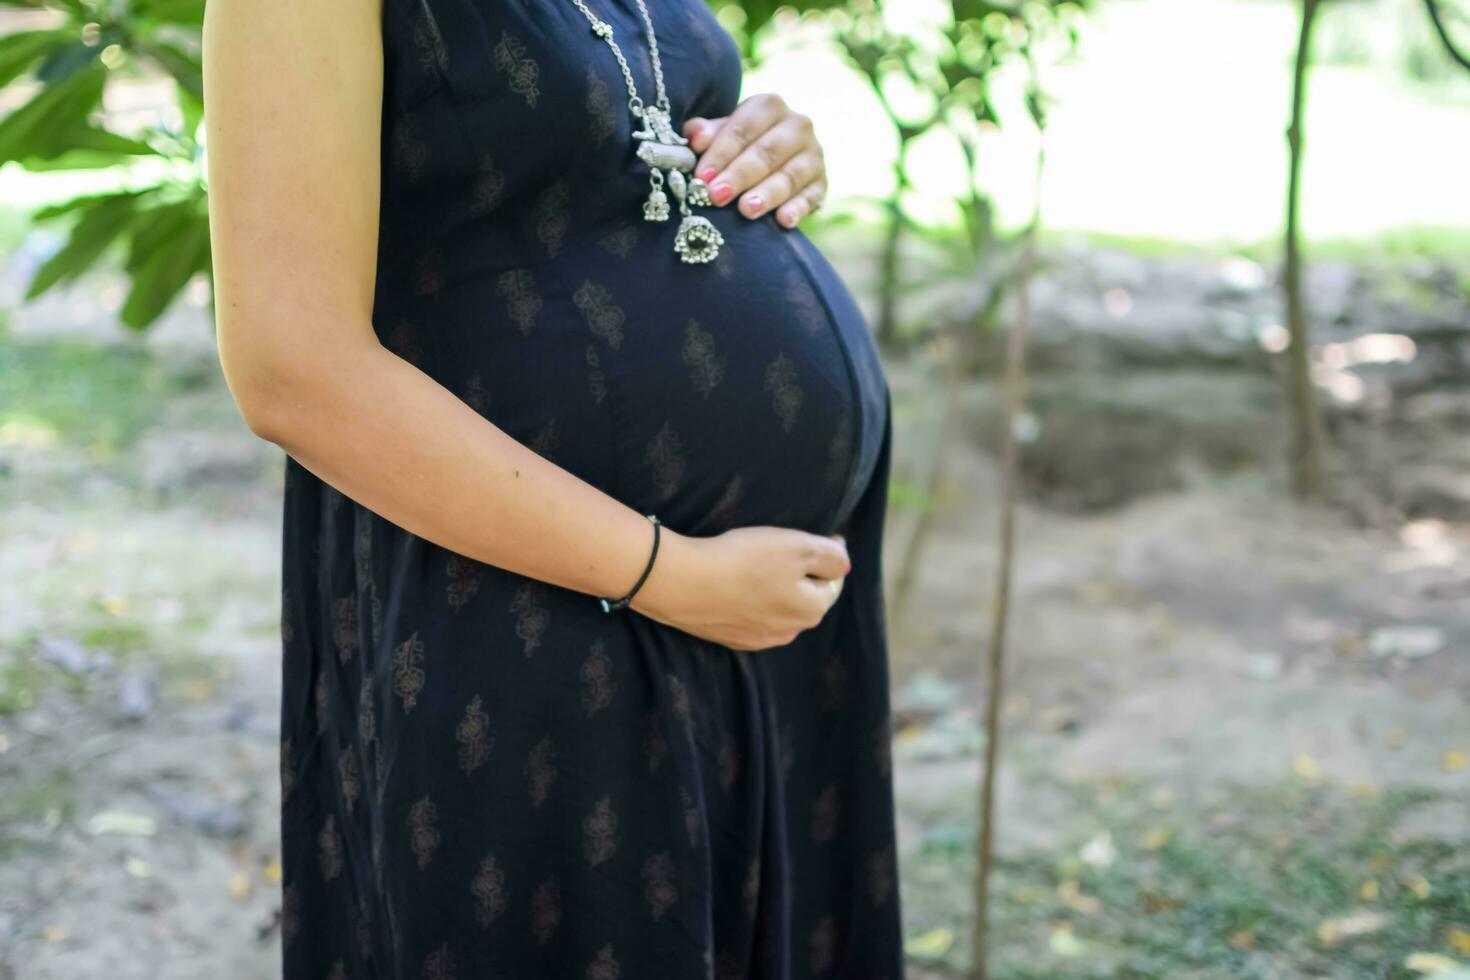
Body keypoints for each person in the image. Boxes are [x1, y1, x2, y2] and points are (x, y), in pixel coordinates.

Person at [202, 0, 903, 976]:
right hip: (523, 597)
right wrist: (668, 572)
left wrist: (770, 142)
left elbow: (598, 163)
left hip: (754, 631)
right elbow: (291, 365)